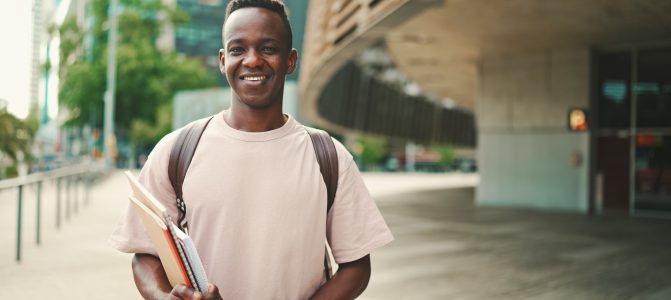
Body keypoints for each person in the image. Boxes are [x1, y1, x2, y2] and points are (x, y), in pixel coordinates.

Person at [109, 0, 393, 299]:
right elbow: (145, 253)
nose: (252, 60)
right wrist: (163, 296)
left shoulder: (329, 156)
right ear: (222, 60)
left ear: (290, 60)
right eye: (237, 49)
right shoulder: (176, 150)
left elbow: (357, 266)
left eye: (268, 48)